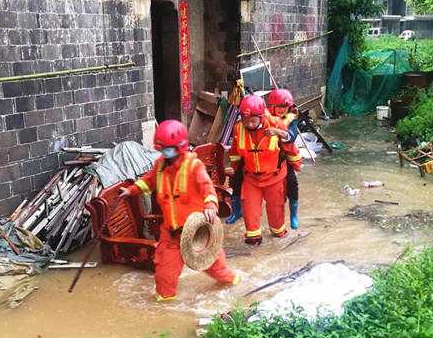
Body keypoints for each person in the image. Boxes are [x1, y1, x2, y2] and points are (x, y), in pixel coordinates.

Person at [118, 120, 240, 301]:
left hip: (197, 234)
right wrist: (131, 191)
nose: (165, 152)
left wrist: (210, 206)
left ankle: (237, 285)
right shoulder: (160, 165)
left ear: (180, 147)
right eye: (163, 148)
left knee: (219, 271)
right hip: (171, 234)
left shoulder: (193, 165)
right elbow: (148, 182)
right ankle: (163, 310)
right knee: (164, 276)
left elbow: (207, 188)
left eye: (169, 148)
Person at [228, 95, 302, 245]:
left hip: (275, 177)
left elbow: (290, 147)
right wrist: (236, 172)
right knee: (250, 213)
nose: (249, 124)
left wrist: (296, 165)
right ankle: (253, 241)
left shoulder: (276, 124)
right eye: (245, 120)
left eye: (252, 120)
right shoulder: (238, 128)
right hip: (251, 178)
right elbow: (235, 153)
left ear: (261, 117)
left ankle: (279, 234)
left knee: (276, 216)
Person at [266, 88, 301, 229]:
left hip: (286, 159)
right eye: (279, 106)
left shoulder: (291, 120)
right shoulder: (265, 117)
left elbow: (291, 136)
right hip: (267, 158)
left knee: (292, 184)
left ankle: (293, 216)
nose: (282, 109)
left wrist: (277, 132)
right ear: (272, 107)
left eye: (285, 106)